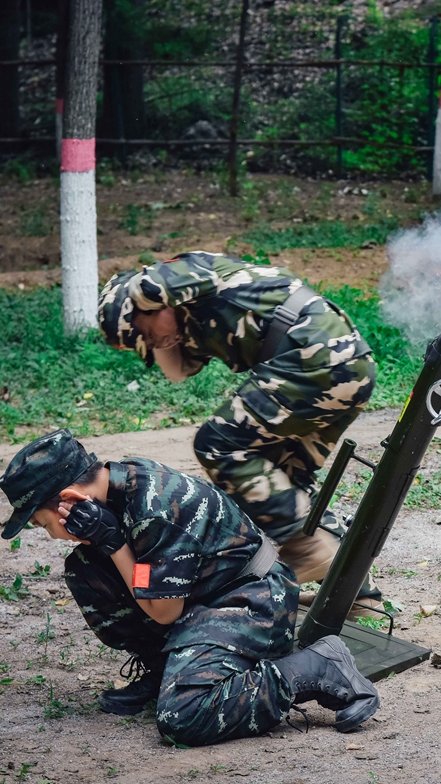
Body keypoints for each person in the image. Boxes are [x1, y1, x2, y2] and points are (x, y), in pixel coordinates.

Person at [0, 428, 379, 744]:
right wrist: (108, 541)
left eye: (44, 524)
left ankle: (314, 666)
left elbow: (164, 611)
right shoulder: (116, 487)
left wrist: (113, 542)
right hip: (204, 595)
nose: (50, 534)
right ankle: (168, 666)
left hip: (251, 596)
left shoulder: (157, 507)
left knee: (182, 716)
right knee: (86, 567)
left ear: (69, 500)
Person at [97, 251, 382, 614]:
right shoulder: (188, 320)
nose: (155, 343)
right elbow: (178, 373)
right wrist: (151, 331)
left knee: (217, 443)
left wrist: (131, 298)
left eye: (148, 333)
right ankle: (356, 592)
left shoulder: (183, 275)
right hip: (338, 364)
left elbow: (152, 285)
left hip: (315, 354)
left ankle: (310, 551)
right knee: (282, 485)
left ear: (151, 304)